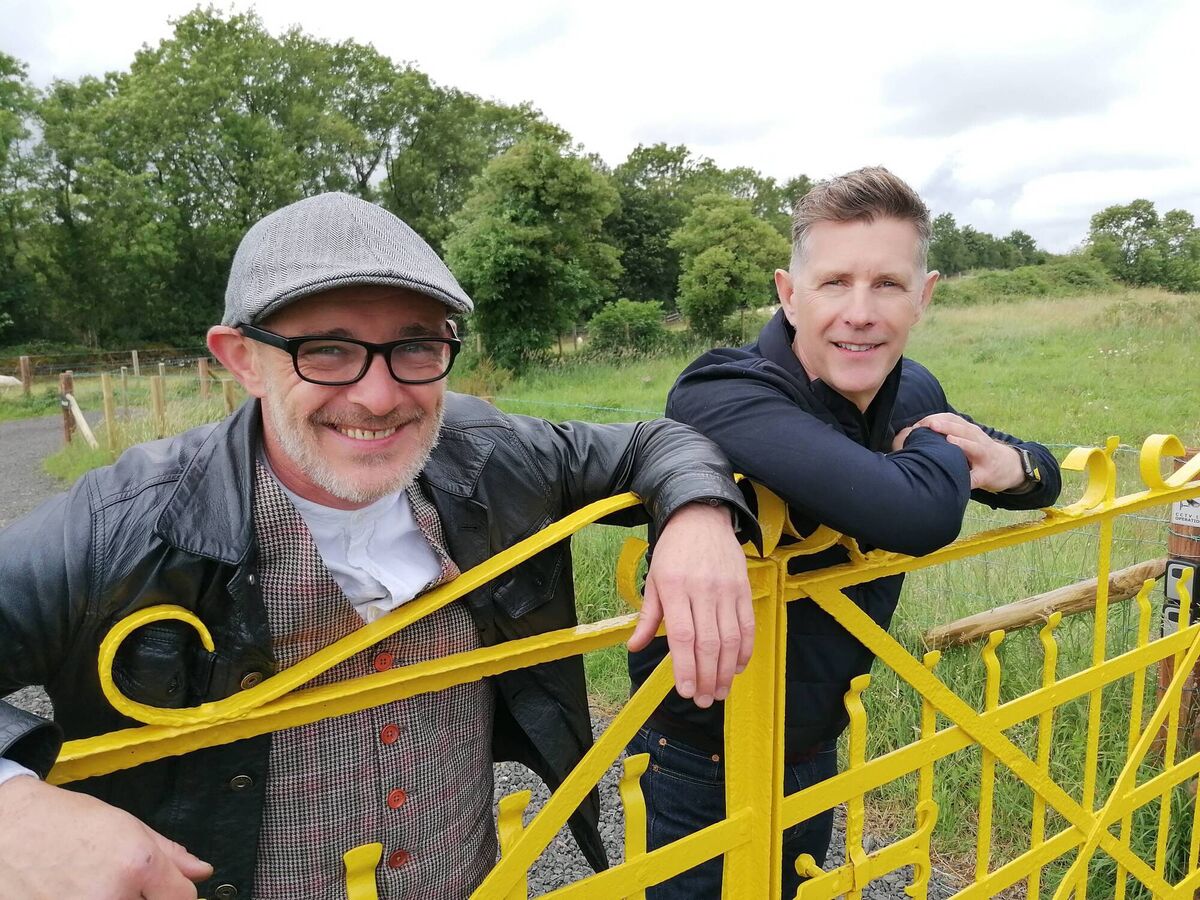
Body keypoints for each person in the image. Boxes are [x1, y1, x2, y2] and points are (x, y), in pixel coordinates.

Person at [0, 192, 758, 900]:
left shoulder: (489, 454)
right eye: (327, 350)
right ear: (241, 359)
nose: (380, 395)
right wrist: (11, 807)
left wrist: (696, 514)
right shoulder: (124, 524)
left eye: (417, 346)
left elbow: (653, 442)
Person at [628, 167, 1062, 897]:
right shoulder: (723, 392)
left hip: (817, 739)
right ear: (788, 293)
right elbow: (917, 515)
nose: (860, 313)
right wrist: (945, 451)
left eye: (888, 285)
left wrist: (1011, 464)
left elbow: (1039, 474)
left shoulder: (911, 388)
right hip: (700, 751)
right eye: (834, 283)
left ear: (923, 298)